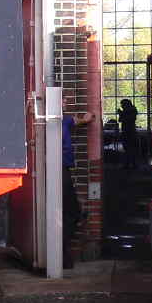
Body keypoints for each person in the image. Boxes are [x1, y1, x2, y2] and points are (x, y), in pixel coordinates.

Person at [62, 108, 93, 269]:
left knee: (70, 212)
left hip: (63, 169)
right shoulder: (54, 121)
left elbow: (77, 120)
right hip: (59, 170)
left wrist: (86, 118)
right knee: (72, 212)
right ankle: (60, 254)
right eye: (62, 99)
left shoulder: (64, 120)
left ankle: (61, 253)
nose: (65, 102)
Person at [117, 98, 139, 163]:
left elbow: (122, 120)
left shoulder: (129, 111)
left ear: (126, 105)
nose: (121, 106)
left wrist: (121, 113)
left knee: (128, 148)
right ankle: (132, 163)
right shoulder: (132, 110)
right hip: (130, 131)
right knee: (131, 148)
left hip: (128, 131)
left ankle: (129, 163)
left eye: (122, 104)